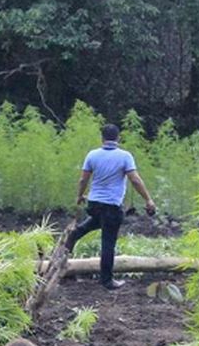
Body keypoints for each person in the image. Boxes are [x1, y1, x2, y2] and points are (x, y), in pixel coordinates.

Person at [65, 124, 157, 291]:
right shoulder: (125, 156)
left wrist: (79, 196)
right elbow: (135, 180)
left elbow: (83, 180)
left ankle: (75, 234)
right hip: (111, 206)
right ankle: (107, 281)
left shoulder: (92, 155)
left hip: (94, 204)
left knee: (97, 220)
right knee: (108, 242)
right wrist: (148, 199)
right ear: (118, 138)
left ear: (102, 138)